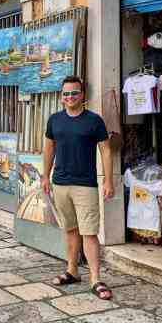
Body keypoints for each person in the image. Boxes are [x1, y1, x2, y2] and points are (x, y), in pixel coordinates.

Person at [42, 75, 115, 301]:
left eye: (74, 93)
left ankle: (95, 279)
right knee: (70, 230)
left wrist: (108, 180)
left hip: (86, 185)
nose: (70, 97)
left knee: (89, 232)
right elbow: (48, 149)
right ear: (61, 97)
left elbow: (106, 150)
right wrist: (45, 176)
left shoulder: (94, 121)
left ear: (82, 95)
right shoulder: (54, 120)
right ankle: (72, 271)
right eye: (66, 94)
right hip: (60, 183)